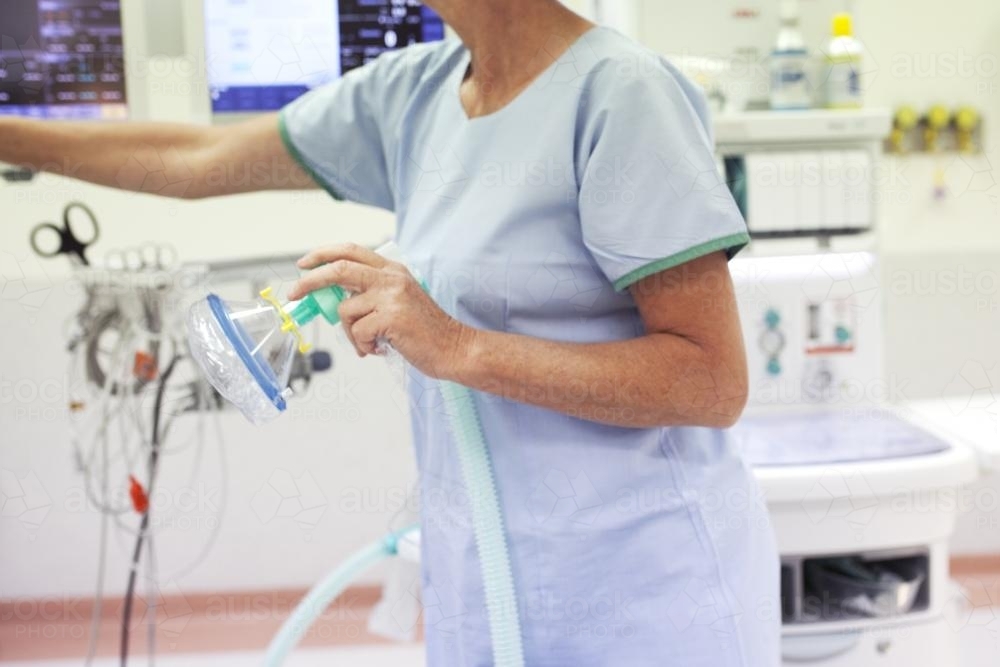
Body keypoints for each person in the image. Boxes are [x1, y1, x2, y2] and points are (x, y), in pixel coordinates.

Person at [0, 0, 780, 664]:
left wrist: (460, 346)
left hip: (642, 594)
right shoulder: (419, 93)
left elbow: (711, 381)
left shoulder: (620, 96)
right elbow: (198, 157)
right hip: (487, 583)